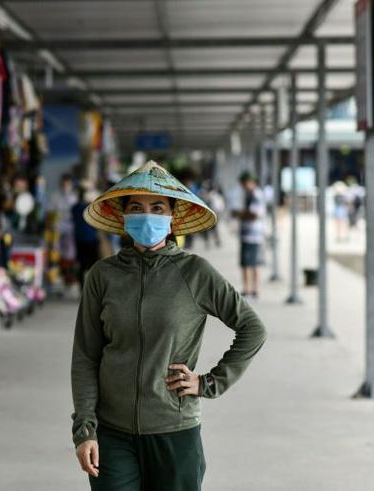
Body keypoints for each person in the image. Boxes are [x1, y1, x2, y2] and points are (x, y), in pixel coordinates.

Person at [71, 161, 267, 491]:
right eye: (137, 208)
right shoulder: (102, 277)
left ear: (172, 217)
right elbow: (86, 357)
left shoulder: (195, 273)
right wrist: (85, 429)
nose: (147, 216)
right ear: (123, 216)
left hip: (175, 431)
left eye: (157, 208)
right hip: (112, 434)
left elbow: (252, 327)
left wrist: (209, 383)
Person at [232, 171, 266, 300]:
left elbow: (254, 215)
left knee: (251, 262)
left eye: (245, 183)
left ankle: (252, 290)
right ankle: (249, 289)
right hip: (248, 233)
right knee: (247, 262)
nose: (243, 186)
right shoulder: (248, 194)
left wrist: (240, 214)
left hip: (253, 233)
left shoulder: (256, 195)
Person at [71, 186, 101, 289]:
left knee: (81, 264)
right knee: (93, 265)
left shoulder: (75, 207)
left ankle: (82, 287)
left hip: (79, 239)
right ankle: (93, 288)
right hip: (91, 239)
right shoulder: (90, 207)